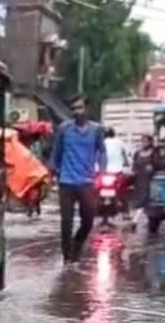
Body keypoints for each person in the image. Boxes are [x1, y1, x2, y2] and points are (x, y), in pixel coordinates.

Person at [50, 94, 106, 263]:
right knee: (66, 221)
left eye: (80, 108)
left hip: (86, 181)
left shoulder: (96, 130)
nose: (77, 112)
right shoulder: (64, 129)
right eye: (73, 109)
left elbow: (102, 151)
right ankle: (68, 257)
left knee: (88, 219)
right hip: (66, 181)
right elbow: (56, 152)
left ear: (86, 110)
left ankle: (78, 243)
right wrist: (53, 171)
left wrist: (101, 171)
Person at [129, 133, 155, 225]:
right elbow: (134, 165)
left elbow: (158, 164)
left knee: (148, 200)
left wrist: (152, 167)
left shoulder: (154, 153)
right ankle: (136, 219)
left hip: (150, 180)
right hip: (139, 180)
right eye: (142, 141)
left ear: (150, 142)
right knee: (140, 200)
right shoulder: (137, 153)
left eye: (146, 141)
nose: (144, 143)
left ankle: (137, 220)